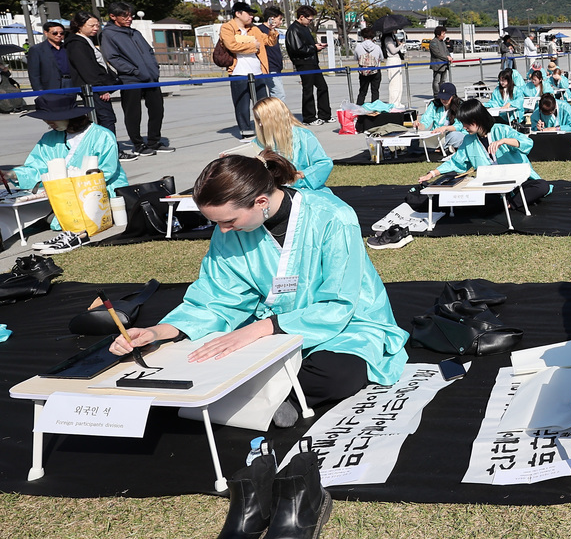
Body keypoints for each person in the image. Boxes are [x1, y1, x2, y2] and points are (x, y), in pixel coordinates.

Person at [109, 153, 408, 424]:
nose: (223, 230)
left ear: (260, 202)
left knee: (337, 374)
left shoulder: (333, 217)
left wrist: (261, 329)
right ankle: (262, 393)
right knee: (213, 355)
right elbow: (215, 295)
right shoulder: (228, 230)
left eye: (229, 221)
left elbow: (340, 301)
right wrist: (158, 332)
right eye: (216, 222)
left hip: (347, 324)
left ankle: (274, 396)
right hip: (271, 327)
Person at [2, 92, 128, 246]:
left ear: (70, 116)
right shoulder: (48, 138)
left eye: (52, 118)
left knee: (59, 218)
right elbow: (36, 166)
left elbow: (105, 172)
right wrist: (12, 174)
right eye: (46, 119)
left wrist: (66, 185)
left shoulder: (102, 136)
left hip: (96, 192)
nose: (48, 123)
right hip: (59, 193)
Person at [417, 98, 551, 209]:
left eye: (466, 124)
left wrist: (504, 141)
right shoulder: (468, 140)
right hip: (491, 185)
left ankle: (510, 204)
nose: (464, 128)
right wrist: (433, 173)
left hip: (517, 180)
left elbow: (527, 143)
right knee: (476, 198)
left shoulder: (501, 130)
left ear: (475, 121)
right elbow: (456, 162)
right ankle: (507, 202)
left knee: (541, 186)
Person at [102, 1, 169, 155]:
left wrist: (154, 68)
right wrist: (134, 71)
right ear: (113, 16)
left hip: (151, 78)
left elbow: (149, 51)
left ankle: (154, 141)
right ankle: (138, 144)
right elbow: (113, 57)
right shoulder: (108, 34)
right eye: (124, 16)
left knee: (157, 110)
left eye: (130, 15)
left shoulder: (135, 33)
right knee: (133, 114)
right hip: (131, 80)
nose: (129, 18)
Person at [251, 97, 332, 192]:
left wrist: (302, 175)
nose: (260, 124)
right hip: (271, 192)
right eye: (257, 120)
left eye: (261, 120)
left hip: (303, 190)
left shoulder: (303, 135)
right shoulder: (258, 141)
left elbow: (324, 163)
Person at [221, 1, 275, 138]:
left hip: (258, 71)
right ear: (238, 14)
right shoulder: (227, 28)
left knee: (263, 103)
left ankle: (266, 130)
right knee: (242, 104)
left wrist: (272, 30)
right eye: (248, 13)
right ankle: (246, 131)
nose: (251, 16)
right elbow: (232, 46)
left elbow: (268, 41)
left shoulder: (254, 29)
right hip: (239, 71)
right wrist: (253, 46)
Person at [65, 11, 122, 141]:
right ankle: (110, 149)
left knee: (105, 118)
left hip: (96, 86)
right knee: (105, 118)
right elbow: (86, 69)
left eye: (97, 25)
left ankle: (107, 147)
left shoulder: (86, 41)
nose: (96, 28)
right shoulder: (76, 43)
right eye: (91, 25)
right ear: (79, 25)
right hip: (93, 88)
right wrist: (100, 88)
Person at [285, 5, 331, 125]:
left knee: (323, 87)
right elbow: (297, 49)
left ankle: (325, 114)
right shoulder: (293, 30)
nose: (310, 22)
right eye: (309, 19)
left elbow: (306, 46)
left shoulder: (304, 28)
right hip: (304, 63)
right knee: (308, 90)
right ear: (301, 17)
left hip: (312, 61)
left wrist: (316, 47)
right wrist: (313, 48)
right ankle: (309, 117)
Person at [416, 81, 466, 151]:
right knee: (414, 142)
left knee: (457, 136)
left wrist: (445, 128)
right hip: (435, 136)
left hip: (450, 135)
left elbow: (459, 126)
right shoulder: (434, 105)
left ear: (453, 97)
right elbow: (426, 120)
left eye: (446, 98)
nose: (443, 100)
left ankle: (436, 149)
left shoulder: (460, 106)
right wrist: (419, 125)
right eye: (441, 98)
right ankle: (442, 149)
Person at [256, 6, 287, 102]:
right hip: (268, 67)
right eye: (280, 19)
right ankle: (280, 116)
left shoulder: (274, 31)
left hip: (276, 66)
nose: (281, 22)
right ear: (271, 18)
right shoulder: (259, 30)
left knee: (276, 95)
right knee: (279, 95)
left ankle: (276, 115)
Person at [26, 21, 67, 91]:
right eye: (55, 33)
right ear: (46, 33)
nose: (59, 35)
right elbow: (34, 73)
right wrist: (38, 89)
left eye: (62, 33)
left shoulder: (68, 47)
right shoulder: (37, 50)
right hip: (49, 86)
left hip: (69, 85)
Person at [354, 27, 382, 106]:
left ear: (363, 36)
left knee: (362, 91)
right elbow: (381, 58)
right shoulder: (377, 47)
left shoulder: (358, 46)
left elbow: (356, 58)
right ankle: (375, 108)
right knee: (375, 91)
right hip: (375, 71)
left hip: (363, 71)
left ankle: (358, 108)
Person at [428, 25, 451, 96]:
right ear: (438, 35)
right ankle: (436, 94)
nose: (444, 35)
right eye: (443, 34)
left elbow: (446, 51)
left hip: (444, 64)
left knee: (443, 81)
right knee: (436, 81)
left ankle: (442, 93)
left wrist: (449, 56)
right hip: (437, 65)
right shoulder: (433, 42)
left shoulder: (443, 42)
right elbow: (437, 53)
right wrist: (447, 58)